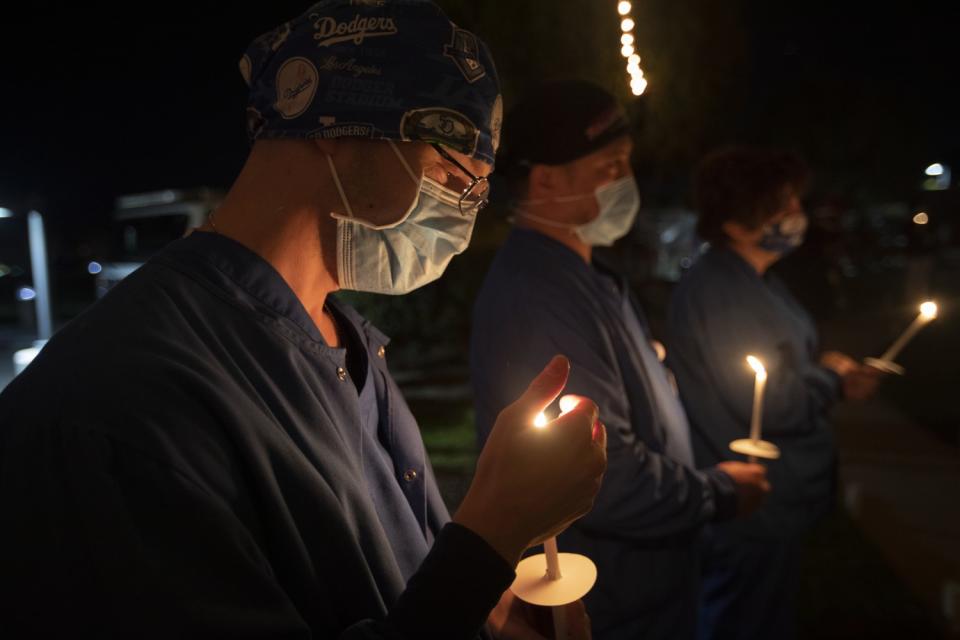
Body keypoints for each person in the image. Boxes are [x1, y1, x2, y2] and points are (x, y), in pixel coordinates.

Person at [0, 3, 608, 638]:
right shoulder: (117, 407)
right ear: (339, 126)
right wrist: (496, 529)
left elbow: (402, 586)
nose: (463, 216)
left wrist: (483, 605)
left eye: (480, 193)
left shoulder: (343, 345)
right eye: (454, 175)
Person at [470, 80, 770, 640]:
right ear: (546, 180)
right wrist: (718, 493)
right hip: (613, 605)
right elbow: (603, 475)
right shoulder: (540, 295)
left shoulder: (584, 275)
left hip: (648, 588)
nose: (625, 181)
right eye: (611, 164)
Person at [665, 146, 883, 640]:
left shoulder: (753, 280)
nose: (795, 214)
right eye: (780, 204)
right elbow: (766, 398)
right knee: (741, 620)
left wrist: (823, 367)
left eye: (794, 201)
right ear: (737, 224)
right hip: (752, 504)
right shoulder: (721, 291)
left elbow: (784, 360)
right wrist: (834, 382)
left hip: (771, 499)